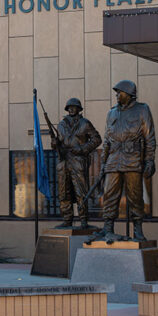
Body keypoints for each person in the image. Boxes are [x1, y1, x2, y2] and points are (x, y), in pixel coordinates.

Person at [94, 80, 156, 242]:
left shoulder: (142, 110)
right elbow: (106, 140)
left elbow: (149, 138)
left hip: (133, 159)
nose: (116, 95)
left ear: (129, 94)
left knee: (135, 196)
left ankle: (138, 230)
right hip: (113, 160)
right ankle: (108, 228)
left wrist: (149, 160)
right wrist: (103, 164)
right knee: (109, 195)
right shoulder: (112, 113)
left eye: (119, 92)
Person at [51, 98, 101, 229]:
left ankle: (83, 220)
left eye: (74, 107)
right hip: (63, 161)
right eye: (69, 107)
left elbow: (97, 139)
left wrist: (82, 149)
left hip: (78, 161)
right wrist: (54, 143)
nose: (72, 109)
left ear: (79, 109)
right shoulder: (61, 125)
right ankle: (67, 219)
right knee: (63, 191)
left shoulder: (85, 123)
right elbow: (58, 143)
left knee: (81, 191)